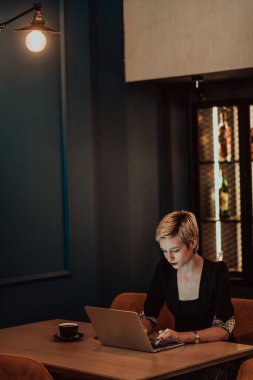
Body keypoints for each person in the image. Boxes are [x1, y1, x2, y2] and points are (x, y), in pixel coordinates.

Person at [140, 210, 238, 380]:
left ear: (192, 243)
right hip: (180, 354)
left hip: (218, 357)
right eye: (164, 251)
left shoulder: (217, 272)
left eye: (175, 250)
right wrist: (142, 328)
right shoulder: (164, 270)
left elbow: (224, 329)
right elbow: (150, 313)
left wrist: (182, 336)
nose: (169, 257)